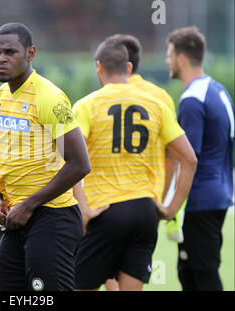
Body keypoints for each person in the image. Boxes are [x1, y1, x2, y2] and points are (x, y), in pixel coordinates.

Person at [72, 38, 197, 291]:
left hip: (104, 212)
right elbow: (189, 159)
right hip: (145, 212)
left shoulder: (87, 105)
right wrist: (171, 209)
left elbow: (68, 159)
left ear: (99, 67)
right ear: (129, 69)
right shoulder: (157, 105)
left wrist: (82, 208)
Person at [0, 22, 91, 291]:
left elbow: (80, 163)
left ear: (30, 53)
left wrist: (30, 204)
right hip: (14, 218)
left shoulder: (49, 97)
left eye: (10, 52)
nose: (1, 59)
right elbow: (2, 157)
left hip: (51, 217)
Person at [165, 26, 234, 291]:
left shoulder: (193, 99)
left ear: (182, 58)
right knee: (192, 272)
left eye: (170, 55)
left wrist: (171, 205)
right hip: (218, 195)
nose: (167, 61)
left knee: (200, 276)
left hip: (200, 202)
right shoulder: (218, 90)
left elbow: (188, 157)